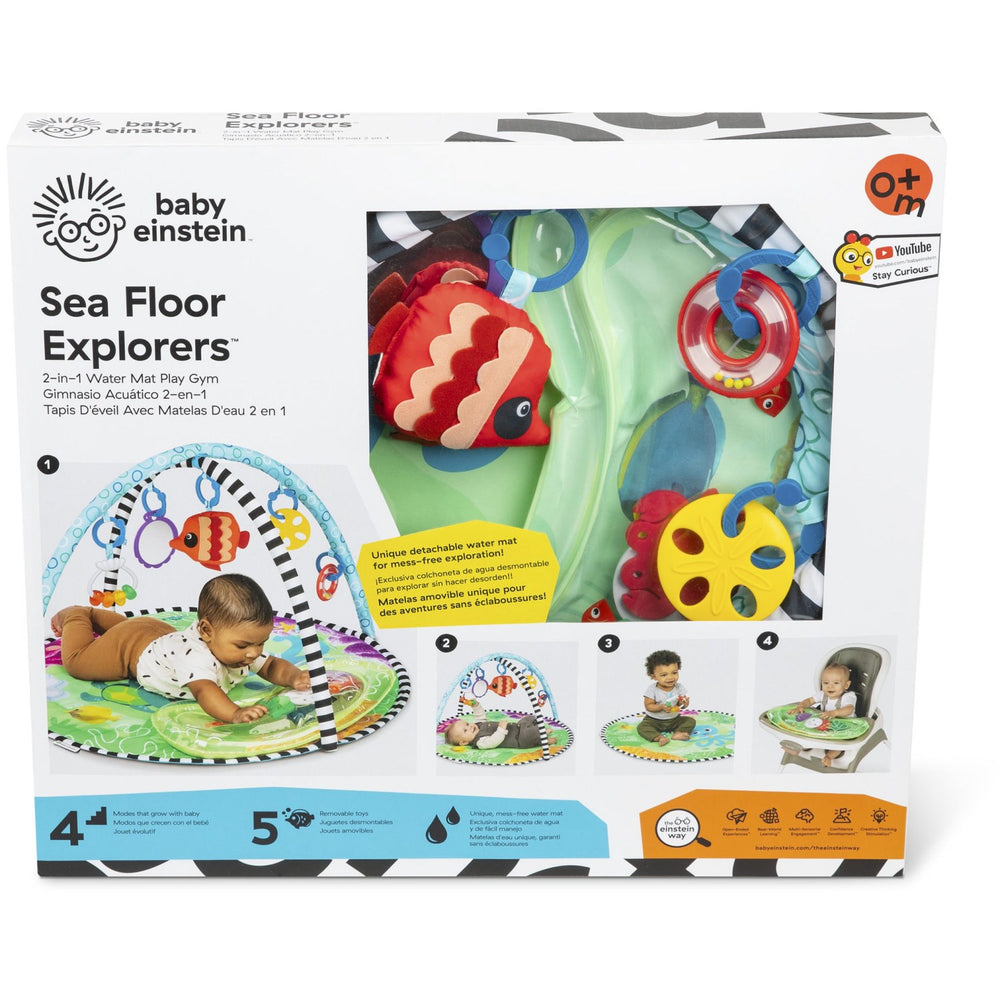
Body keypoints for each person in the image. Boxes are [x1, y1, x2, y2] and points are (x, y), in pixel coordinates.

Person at [51, 573, 310, 724]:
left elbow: (271, 665)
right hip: (129, 648)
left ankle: (94, 615)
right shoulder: (196, 659)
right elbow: (205, 691)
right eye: (243, 645)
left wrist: (294, 677)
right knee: (78, 662)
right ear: (206, 631)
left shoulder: (243, 648)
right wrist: (235, 713)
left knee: (128, 626)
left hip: (155, 634)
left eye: (261, 642)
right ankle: (77, 615)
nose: (253, 653)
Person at [783, 662, 857, 767]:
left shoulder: (848, 696)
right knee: (805, 731)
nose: (830, 686)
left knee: (839, 744)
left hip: (843, 727)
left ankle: (829, 757)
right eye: (826, 683)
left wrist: (835, 713)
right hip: (825, 724)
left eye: (836, 683)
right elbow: (810, 700)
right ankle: (800, 749)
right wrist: (801, 706)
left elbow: (849, 709)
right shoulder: (822, 694)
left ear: (846, 685)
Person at [443, 699, 553, 750]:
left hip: (517, 727)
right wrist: (501, 729)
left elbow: (480, 715)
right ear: (464, 742)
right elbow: (493, 741)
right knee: (529, 734)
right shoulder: (480, 742)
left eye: (467, 724)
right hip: (519, 739)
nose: (470, 726)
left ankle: (538, 735)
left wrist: (476, 706)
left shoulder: (478, 725)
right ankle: (542, 737)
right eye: (465, 730)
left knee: (527, 719)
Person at [638, 649, 695, 746]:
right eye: (664, 675)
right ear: (654, 676)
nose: (670, 677)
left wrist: (684, 703)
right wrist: (661, 707)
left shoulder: (679, 687)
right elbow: (648, 706)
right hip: (654, 720)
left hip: (674, 719)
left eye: (674, 672)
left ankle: (678, 733)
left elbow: (680, 704)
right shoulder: (652, 689)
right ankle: (659, 737)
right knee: (642, 727)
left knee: (690, 721)